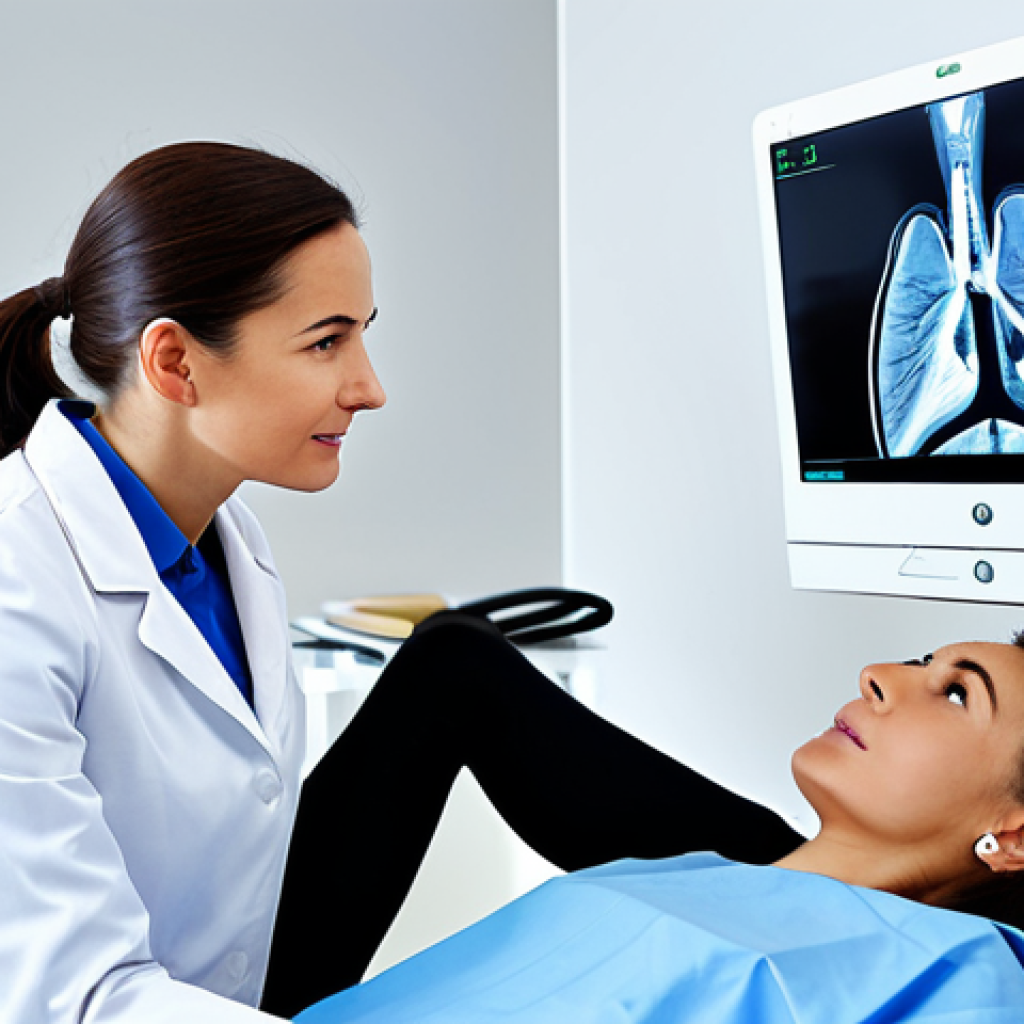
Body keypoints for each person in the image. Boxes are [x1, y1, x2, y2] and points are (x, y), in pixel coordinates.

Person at [2, 141, 1003, 1024]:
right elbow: (74, 1000)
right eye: (327, 340)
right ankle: (830, 880)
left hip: (217, 979)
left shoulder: (225, 538)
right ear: (177, 362)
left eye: (363, 331)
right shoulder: (19, 579)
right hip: (123, 1006)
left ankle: (820, 882)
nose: (370, 383)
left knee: (453, 665)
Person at [287, 637, 1024, 1022]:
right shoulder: (694, 868)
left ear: (1015, 835)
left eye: (958, 694)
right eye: (924, 660)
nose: (879, 674)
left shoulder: (963, 975)